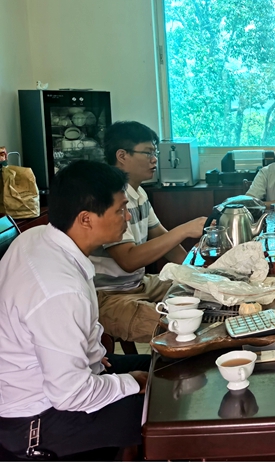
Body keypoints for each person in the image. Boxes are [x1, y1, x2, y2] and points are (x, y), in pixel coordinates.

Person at [0, 161, 150, 459]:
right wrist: (131, 382)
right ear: (86, 219)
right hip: (37, 417)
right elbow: (71, 394)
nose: (127, 216)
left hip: (54, 380)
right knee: (165, 410)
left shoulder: (37, 237)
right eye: (120, 210)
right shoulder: (59, 289)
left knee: (162, 368)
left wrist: (93, 357)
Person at [92, 121, 207, 343]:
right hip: (109, 295)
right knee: (179, 328)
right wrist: (184, 229)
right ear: (122, 155)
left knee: (205, 295)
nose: (154, 160)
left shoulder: (139, 193)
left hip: (139, 283)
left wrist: (196, 274)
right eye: (147, 153)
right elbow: (128, 260)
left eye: (155, 153)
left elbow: (165, 240)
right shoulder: (109, 197)